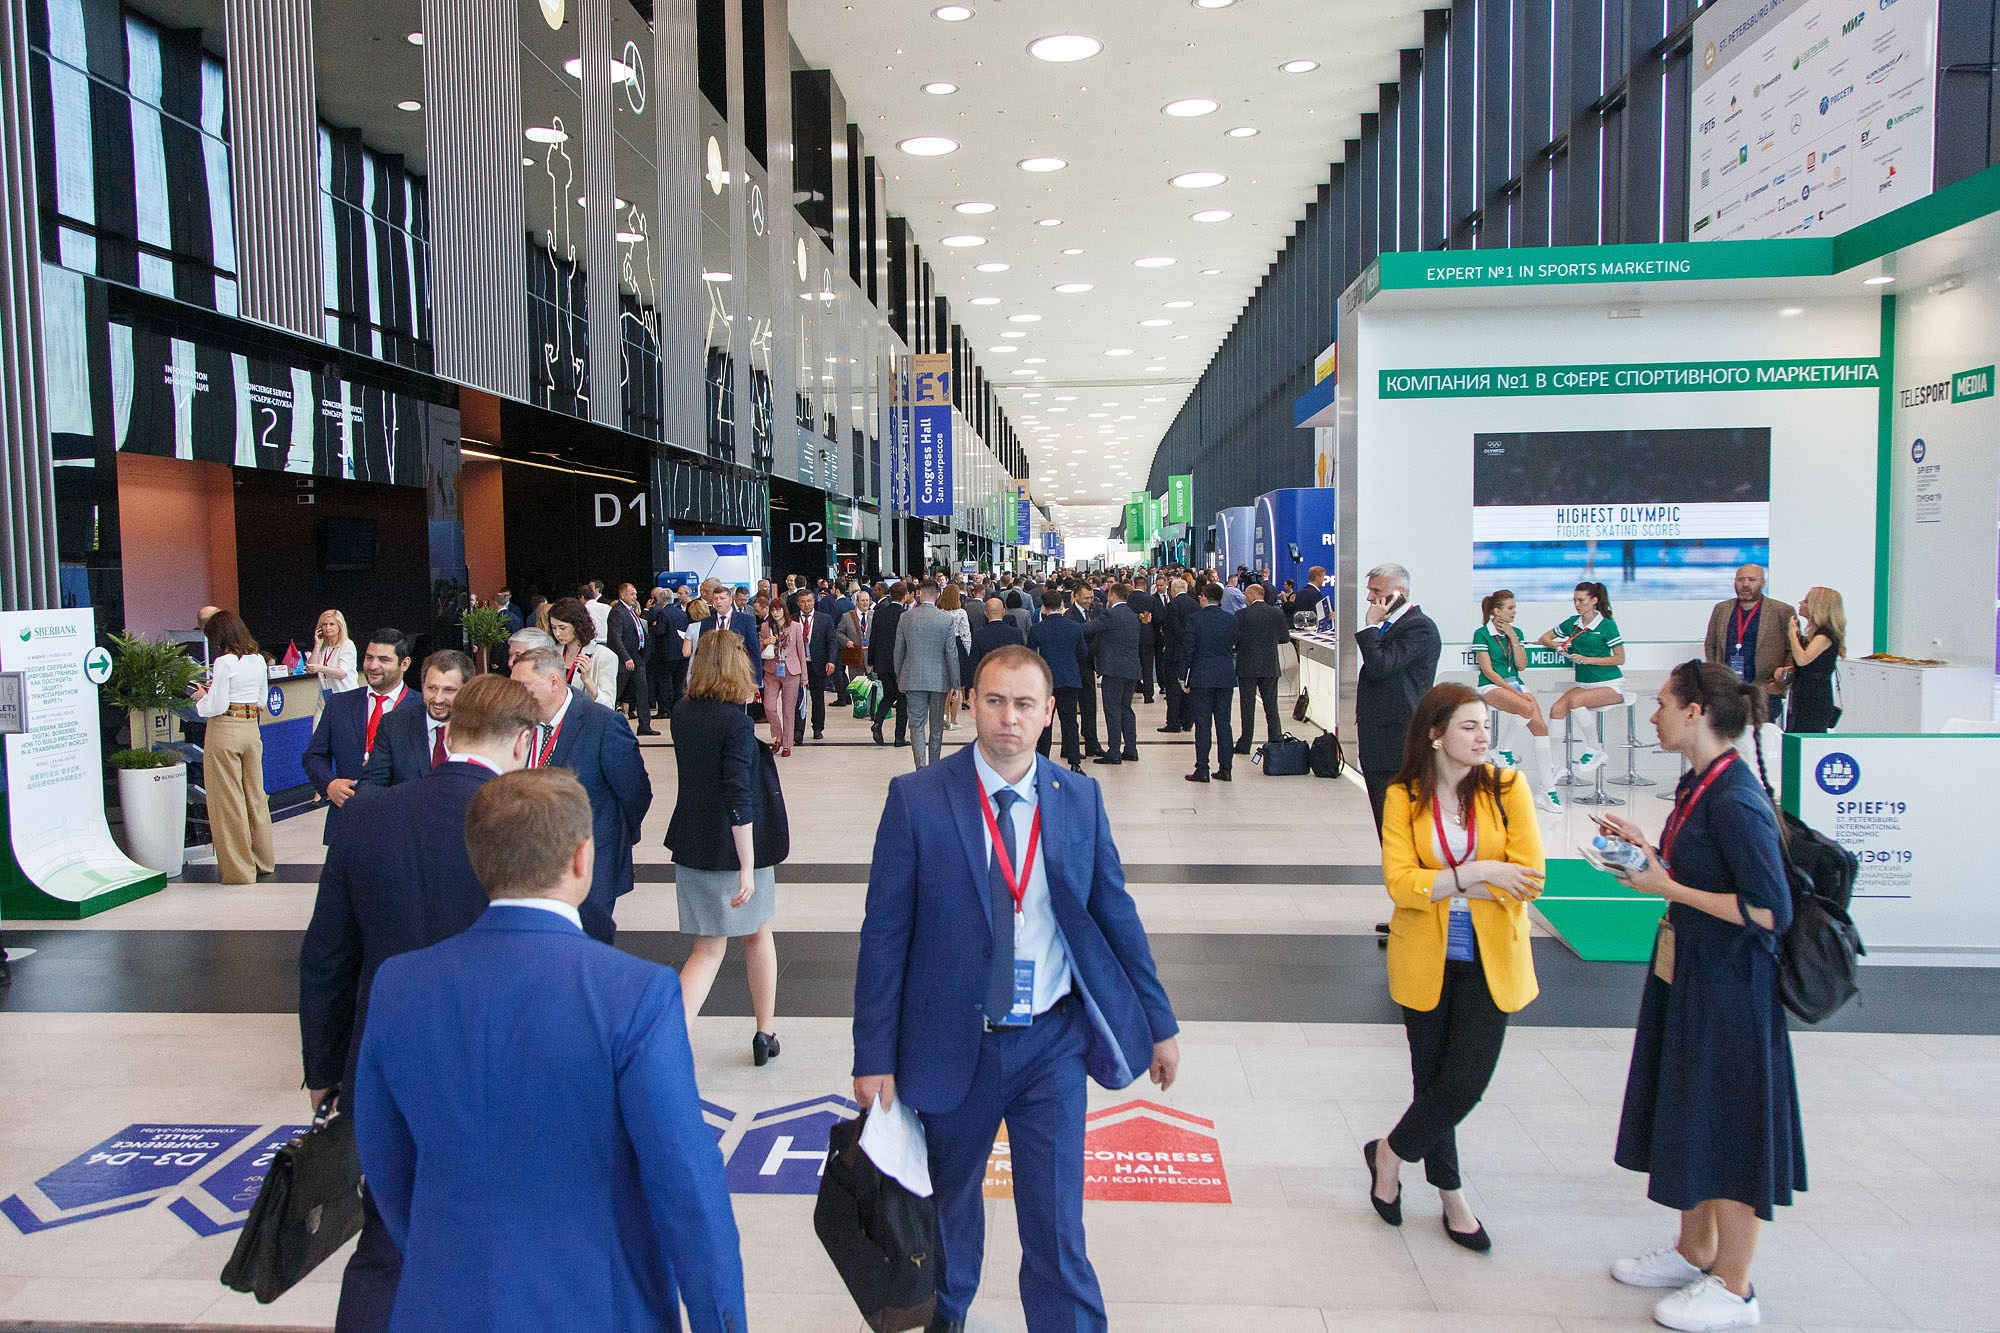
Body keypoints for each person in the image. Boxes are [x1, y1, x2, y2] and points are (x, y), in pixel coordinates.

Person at [852, 645, 1181, 1333]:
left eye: (1025, 703)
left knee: (1058, 1227)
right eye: (995, 700)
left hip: (1050, 1046)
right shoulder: (917, 798)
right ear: (969, 702)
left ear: (1048, 711)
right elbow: (884, 935)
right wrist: (872, 1054)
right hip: (950, 1044)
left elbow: (1115, 912)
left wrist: (1158, 1019)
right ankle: (945, 1318)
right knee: (945, 1214)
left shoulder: (1078, 797)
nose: (1009, 717)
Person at [351, 768, 747, 1333]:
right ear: (583, 859)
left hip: (442, 1302)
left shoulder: (400, 985)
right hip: (595, 1304)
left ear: (478, 857)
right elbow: (685, 1184)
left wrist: (447, 1255)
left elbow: (386, 1166)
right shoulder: (636, 995)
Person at [300, 674, 541, 1333]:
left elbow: (325, 955)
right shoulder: (527, 827)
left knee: (386, 1243)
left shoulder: (366, 817)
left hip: (384, 1068)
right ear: (522, 741)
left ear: (448, 733)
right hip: (497, 1070)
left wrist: (323, 1068)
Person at [1596, 662, 1804, 1333]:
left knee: (1729, 1125)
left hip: (1731, 989)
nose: (1651, 714)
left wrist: (1670, 889)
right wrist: (1646, 852)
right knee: (1692, 1107)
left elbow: (1772, 911)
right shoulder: (1699, 784)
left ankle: (1735, 1284)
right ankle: (1695, 1250)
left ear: (1694, 713)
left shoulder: (1735, 799)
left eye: (1660, 704)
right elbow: (1698, 866)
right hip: (1692, 975)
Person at [1366, 682, 1544, 1252]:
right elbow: (1400, 884)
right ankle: (1450, 1195)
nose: (1483, 736)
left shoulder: (1508, 789)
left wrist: (1444, 881)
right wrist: (1483, 872)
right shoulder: (1404, 797)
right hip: (1426, 955)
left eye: (1485, 726)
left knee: (1465, 1082)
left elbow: (1532, 879)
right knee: (1432, 1081)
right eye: (1469, 726)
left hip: (1491, 959)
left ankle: (1389, 1153)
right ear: (1436, 734)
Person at [665, 630, 782, 1064]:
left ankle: (666, 1037)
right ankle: (764, 1033)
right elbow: (738, 795)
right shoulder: (736, 722)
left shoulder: (681, 713)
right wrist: (748, 865)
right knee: (756, 935)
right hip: (735, 848)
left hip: (692, 842)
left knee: (706, 948)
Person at [509, 647, 652, 943]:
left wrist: (615, 836)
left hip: (588, 863)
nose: (515, 693)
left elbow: (636, 791)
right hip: (529, 860)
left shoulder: (601, 723)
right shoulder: (516, 724)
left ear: (553, 682)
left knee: (587, 950)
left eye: (523, 686)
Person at [302, 628, 417, 847]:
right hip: (348, 823)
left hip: (403, 827)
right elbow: (313, 756)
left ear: (404, 664)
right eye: (369, 657)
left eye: (384, 659)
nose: (373, 666)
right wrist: (330, 784)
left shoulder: (421, 708)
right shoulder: (339, 705)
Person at [189, 611, 276, 884]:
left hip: (225, 729)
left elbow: (217, 705)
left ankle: (239, 870)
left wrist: (201, 698)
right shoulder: (259, 660)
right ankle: (263, 860)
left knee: (228, 800)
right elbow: (262, 698)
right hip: (252, 729)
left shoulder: (224, 662)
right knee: (255, 796)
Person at [1354, 563, 1442, 834]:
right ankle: (1396, 873)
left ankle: (1405, 874)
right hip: (1379, 741)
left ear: (1399, 592)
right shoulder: (1393, 626)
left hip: (1398, 740)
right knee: (1385, 819)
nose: (1370, 598)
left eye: (1377, 591)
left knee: (1398, 822)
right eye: (1369, 591)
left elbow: (1381, 666)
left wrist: (1370, 626)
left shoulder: (1419, 627)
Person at [1472, 590, 1561, 810]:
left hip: (1516, 683)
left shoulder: (1516, 632)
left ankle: (1548, 791)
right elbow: (1488, 671)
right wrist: (1513, 692)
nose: (1514, 612)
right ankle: (1503, 749)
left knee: (1540, 728)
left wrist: (1513, 637)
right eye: (1510, 608)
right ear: (1496, 611)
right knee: (1526, 707)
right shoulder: (1482, 633)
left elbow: (1521, 666)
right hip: (1491, 685)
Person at [1537, 581, 1626, 776]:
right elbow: (1543, 638)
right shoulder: (1572, 623)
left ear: (1594, 601)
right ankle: (1556, 764)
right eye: (1575, 600)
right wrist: (1558, 647)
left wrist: (1588, 660)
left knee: (1576, 701)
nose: (1577, 604)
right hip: (1585, 684)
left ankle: (1595, 749)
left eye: (1581, 600)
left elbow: (1620, 658)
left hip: (1610, 684)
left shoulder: (1607, 626)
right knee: (1557, 709)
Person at [359, 649, 473, 787]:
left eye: (448, 690)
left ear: (468, 690)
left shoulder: (485, 729)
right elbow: (371, 786)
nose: (438, 699)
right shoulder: (394, 725)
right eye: (431, 688)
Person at [1704, 565, 1795, 707]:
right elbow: (1711, 645)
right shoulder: (1721, 609)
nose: (1745, 584)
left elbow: (1792, 651)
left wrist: (1780, 684)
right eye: (1740, 580)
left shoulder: (1782, 611)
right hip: (1727, 691)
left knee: (1762, 729)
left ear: (1763, 583)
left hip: (1765, 691)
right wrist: (1717, 677)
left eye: (1752, 580)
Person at [892, 580, 960, 769]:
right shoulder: (946, 619)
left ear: (919, 593)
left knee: (916, 725)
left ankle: (920, 767)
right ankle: (935, 768)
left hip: (912, 678)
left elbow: (898, 651)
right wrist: (955, 683)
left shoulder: (906, 617)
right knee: (936, 726)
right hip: (939, 680)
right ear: (938, 594)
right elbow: (951, 653)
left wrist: (900, 676)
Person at [1179, 581, 1239, 783]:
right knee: (1224, 724)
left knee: (1203, 724)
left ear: (1204, 596)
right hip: (1225, 676)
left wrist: (1183, 677)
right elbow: (1234, 644)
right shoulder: (1231, 620)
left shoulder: (1195, 620)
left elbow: (1189, 650)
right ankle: (1226, 768)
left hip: (1201, 677)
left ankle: (1202, 768)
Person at [1028, 588, 1090, 772]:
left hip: (1046, 683)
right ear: (1062, 605)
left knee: (1045, 723)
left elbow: (1030, 656)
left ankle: (1043, 761)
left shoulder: (1037, 629)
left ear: (1044, 608)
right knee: (1070, 722)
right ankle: (1074, 762)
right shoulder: (1075, 628)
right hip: (1070, 680)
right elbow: (1083, 654)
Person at [1231, 581, 1289, 755]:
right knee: (1271, 705)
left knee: (1247, 706)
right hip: (1270, 665)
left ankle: (1245, 743)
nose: (1245, 599)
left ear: (1251, 595)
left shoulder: (1241, 615)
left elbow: (1234, 639)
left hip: (1247, 666)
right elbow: (1285, 638)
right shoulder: (1277, 613)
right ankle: (1275, 739)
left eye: (1246, 596)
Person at [1090, 582, 1143, 766]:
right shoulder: (1132, 616)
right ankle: (1131, 749)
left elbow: (1088, 629)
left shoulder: (1110, 614)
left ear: (1112, 596)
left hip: (1113, 669)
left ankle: (1114, 751)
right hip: (1132, 669)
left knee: (1112, 710)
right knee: (1126, 708)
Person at [1781, 586, 1845, 734]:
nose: (1801, 603)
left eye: (1806, 601)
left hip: (1814, 699)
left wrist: (1791, 634)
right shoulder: (1814, 635)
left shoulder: (1825, 635)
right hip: (1802, 693)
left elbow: (1803, 659)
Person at [548, 596, 618, 708]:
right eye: (553, 627)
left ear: (577, 625)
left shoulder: (604, 656)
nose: (557, 633)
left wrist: (588, 681)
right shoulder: (552, 653)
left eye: (562, 628)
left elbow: (609, 705)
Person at [607, 582, 656, 736]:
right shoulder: (617, 611)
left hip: (638, 657)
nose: (635, 597)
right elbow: (616, 637)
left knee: (643, 690)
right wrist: (626, 657)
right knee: (617, 692)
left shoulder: (630, 610)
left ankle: (644, 725)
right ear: (623, 595)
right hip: (626, 659)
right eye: (632, 594)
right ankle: (606, 723)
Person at [759, 598, 806, 756]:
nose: (776, 612)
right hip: (772, 671)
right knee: (769, 706)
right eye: (773, 610)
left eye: (778, 609)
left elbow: (801, 652)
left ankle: (787, 743)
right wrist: (765, 642)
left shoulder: (795, 627)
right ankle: (778, 736)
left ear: (784, 610)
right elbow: (757, 645)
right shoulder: (766, 627)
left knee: (788, 709)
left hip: (791, 671)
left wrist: (804, 676)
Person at [869, 581, 908, 747]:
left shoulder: (879, 613)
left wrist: (870, 661)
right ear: (905, 596)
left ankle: (878, 722)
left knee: (888, 694)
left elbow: (873, 638)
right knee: (902, 699)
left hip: (882, 662)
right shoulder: (906, 615)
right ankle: (899, 738)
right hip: (901, 663)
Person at [644, 586, 690, 719]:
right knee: (678, 683)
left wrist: (653, 626)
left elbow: (660, 631)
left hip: (667, 654)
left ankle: (664, 710)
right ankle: (678, 709)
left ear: (659, 600)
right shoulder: (681, 613)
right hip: (681, 653)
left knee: (663, 682)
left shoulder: (663, 614)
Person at [804, 588, 842, 741]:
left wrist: (831, 660)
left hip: (818, 663)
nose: (806, 605)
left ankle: (818, 728)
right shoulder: (793, 619)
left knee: (817, 697)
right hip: (799, 664)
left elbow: (832, 641)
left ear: (814, 601)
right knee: (797, 699)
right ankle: (797, 730)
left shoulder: (824, 619)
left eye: (809, 601)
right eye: (803, 602)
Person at [937, 584, 974, 730]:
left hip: (942, 647)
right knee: (957, 685)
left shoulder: (938, 612)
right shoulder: (961, 613)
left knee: (945, 686)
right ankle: (953, 720)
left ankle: (944, 715)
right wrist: (968, 652)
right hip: (958, 646)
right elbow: (966, 635)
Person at [971, 595, 1026, 687]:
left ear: (985, 613)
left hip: (988, 683)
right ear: (1003, 612)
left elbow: (973, 665)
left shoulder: (978, 635)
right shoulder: (1016, 633)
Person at [306, 609, 358, 696]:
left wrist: (320, 668)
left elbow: (342, 673)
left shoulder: (347, 645)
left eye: (332, 624)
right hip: (325, 697)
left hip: (345, 696)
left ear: (339, 626)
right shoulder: (324, 646)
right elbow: (310, 669)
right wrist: (317, 645)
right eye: (324, 624)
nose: (327, 628)